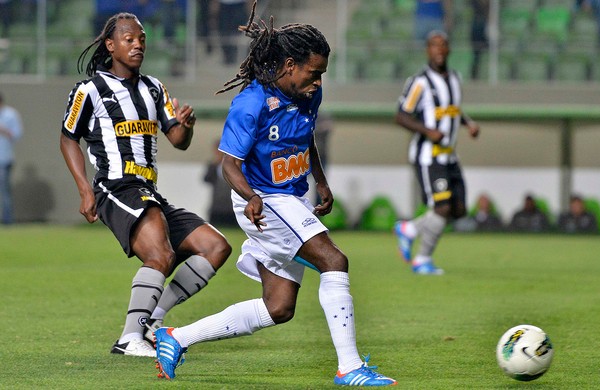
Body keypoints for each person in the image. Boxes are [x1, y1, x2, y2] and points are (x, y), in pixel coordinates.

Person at [151, 3, 397, 386]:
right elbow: (228, 165)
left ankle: (175, 338)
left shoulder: (307, 93)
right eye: (314, 73)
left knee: (278, 307)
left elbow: (305, 136)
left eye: (322, 75)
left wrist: (321, 179)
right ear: (288, 65)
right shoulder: (250, 104)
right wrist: (252, 198)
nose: (318, 82)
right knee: (334, 260)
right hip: (262, 200)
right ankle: (350, 368)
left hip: (290, 198)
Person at [59, 12, 232, 358]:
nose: (138, 44)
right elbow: (67, 139)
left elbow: (178, 139)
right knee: (160, 255)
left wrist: (187, 125)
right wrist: (83, 190)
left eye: (142, 39)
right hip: (116, 187)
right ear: (110, 46)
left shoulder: (154, 88)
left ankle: (151, 320)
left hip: (149, 191)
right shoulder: (90, 90)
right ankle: (129, 338)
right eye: (129, 39)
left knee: (216, 247)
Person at [393, 30, 480, 275]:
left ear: (449, 49)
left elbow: (453, 110)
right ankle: (422, 260)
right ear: (427, 50)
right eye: (434, 45)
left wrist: (469, 123)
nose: (439, 50)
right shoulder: (420, 82)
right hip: (428, 156)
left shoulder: (454, 77)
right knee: (441, 208)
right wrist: (427, 131)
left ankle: (409, 230)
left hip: (450, 155)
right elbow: (401, 115)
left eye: (443, 45)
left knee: (459, 210)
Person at [0, 91, 23, 225]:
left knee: (5, 192)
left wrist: (4, 130)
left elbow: (17, 134)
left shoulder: (10, 115)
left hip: (4, 158)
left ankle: (7, 221)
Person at [203, 138, 236, 227]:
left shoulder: (235, 165)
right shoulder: (213, 165)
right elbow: (206, 179)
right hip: (217, 207)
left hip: (232, 207)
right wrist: (215, 163)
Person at [469, 0, 489, 80]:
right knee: (477, 54)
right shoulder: (474, 3)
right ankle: (474, 74)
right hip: (478, 28)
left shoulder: (490, 4)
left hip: (485, 26)